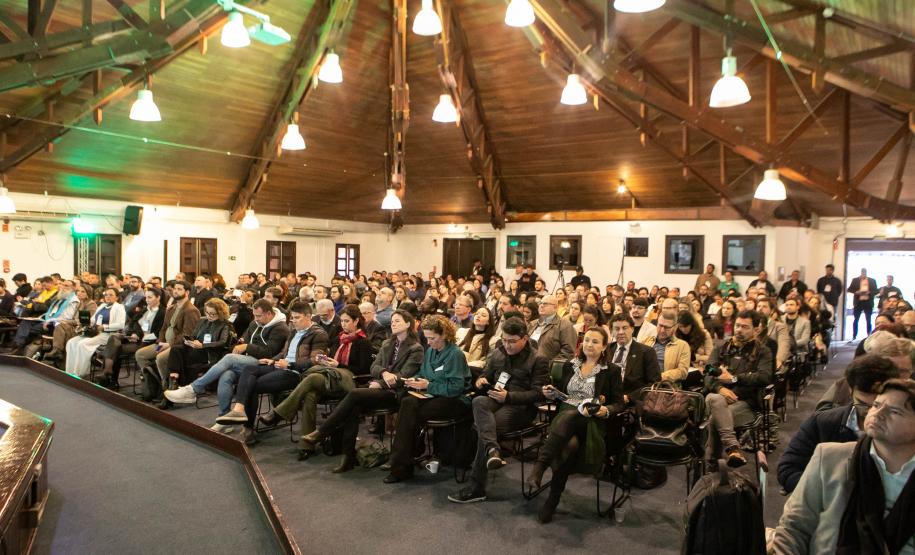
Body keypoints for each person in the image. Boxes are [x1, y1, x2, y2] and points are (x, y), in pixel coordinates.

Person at [771, 379, 915, 554]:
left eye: (895, 411)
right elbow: (793, 529)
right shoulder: (830, 458)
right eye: (876, 405)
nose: (877, 413)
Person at [301, 310, 424, 472]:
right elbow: (374, 367)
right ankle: (347, 457)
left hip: (396, 393)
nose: (393, 324)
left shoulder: (416, 348)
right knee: (352, 408)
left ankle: (322, 431)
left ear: (408, 324)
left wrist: (381, 383)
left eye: (398, 321)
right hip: (377, 387)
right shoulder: (388, 344)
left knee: (353, 394)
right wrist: (383, 374)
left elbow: (404, 375)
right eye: (392, 321)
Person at [525, 327, 624, 523]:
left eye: (595, 342)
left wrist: (607, 410)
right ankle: (552, 500)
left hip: (591, 421)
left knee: (573, 415)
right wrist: (552, 393)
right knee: (569, 444)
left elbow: (619, 403)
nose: (589, 344)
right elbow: (563, 393)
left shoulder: (611, 370)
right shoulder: (571, 365)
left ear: (604, 347)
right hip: (563, 423)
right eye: (587, 340)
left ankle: (540, 466)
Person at [448, 317, 550, 504]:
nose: (507, 345)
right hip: (495, 399)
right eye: (504, 340)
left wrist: (509, 397)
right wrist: (481, 380)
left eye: (512, 341)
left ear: (525, 338)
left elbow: (539, 394)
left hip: (520, 407)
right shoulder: (498, 353)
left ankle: (476, 487)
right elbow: (487, 374)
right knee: (478, 401)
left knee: (484, 429)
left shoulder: (538, 359)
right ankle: (493, 450)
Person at [777, 354, 901, 493]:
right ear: (850, 390)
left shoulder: (907, 431)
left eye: (878, 405)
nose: (871, 413)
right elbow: (788, 470)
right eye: (863, 404)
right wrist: (829, 494)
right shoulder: (822, 423)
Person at [257, 304, 371, 451]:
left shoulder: (363, 342)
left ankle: (279, 413)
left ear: (356, 321)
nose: (343, 324)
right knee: (310, 395)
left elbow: (363, 370)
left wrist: (339, 365)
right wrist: (326, 360)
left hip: (350, 380)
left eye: (347, 321)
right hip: (331, 376)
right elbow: (331, 358)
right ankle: (307, 445)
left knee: (310, 379)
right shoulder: (339, 338)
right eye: (342, 321)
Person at [216, 300, 329, 444]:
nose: (293, 321)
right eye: (292, 318)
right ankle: (239, 409)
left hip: (296, 373)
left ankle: (247, 427)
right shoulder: (294, 331)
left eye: (297, 318)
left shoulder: (319, 334)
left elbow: (315, 361)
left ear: (309, 316)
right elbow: (284, 352)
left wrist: (290, 364)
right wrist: (273, 360)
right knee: (249, 369)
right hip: (280, 366)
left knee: (252, 385)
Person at [164, 299, 289, 425]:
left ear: (269, 313)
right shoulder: (255, 323)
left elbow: (269, 352)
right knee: (226, 375)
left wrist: (246, 347)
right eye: (254, 315)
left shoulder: (280, 328)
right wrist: (241, 342)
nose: (256, 319)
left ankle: (192, 389)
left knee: (229, 358)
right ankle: (224, 418)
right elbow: (245, 338)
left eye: (259, 316)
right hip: (247, 360)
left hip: (265, 363)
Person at [383, 315, 471, 483]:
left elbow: (456, 388)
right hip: (434, 395)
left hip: (455, 400)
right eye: (427, 338)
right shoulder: (430, 351)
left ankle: (400, 462)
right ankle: (402, 461)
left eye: (432, 338)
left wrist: (428, 386)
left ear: (444, 335)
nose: (428, 342)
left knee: (410, 412)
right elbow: (424, 374)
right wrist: (415, 380)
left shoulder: (455, 354)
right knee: (407, 402)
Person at [703, 310, 773, 468]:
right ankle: (733, 448)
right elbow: (707, 374)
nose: (739, 329)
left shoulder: (763, 351)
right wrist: (720, 388)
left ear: (756, 330)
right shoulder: (721, 347)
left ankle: (712, 465)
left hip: (745, 403)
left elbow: (764, 377)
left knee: (716, 418)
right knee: (716, 399)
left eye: (745, 327)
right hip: (717, 397)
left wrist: (734, 379)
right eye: (737, 325)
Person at [135, 280, 200, 392]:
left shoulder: (191, 310)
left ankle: (166, 388)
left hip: (177, 347)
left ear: (187, 292)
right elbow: (163, 329)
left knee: (160, 358)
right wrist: (160, 342)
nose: (175, 291)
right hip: (163, 344)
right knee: (140, 354)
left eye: (179, 289)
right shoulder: (171, 308)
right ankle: (154, 383)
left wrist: (169, 344)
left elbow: (187, 334)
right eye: (175, 289)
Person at [96, 287, 162, 387]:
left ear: (158, 298)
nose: (147, 300)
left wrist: (139, 336)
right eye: (146, 297)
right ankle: (109, 375)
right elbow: (133, 323)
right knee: (114, 338)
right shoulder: (145, 310)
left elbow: (158, 332)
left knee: (115, 347)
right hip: (136, 338)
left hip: (148, 342)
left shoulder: (163, 312)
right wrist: (134, 334)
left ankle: (109, 375)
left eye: (150, 297)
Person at [164, 298, 232, 388]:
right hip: (196, 348)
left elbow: (223, 343)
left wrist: (203, 345)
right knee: (176, 349)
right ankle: (174, 379)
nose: (209, 316)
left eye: (213, 314)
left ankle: (175, 385)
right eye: (207, 313)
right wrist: (190, 341)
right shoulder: (202, 320)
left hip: (210, 353)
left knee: (182, 358)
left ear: (221, 313)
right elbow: (194, 335)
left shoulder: (225, 324)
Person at [64, 288, 126, 378]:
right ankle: (70, 371)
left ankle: (80, 373)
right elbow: (92, 320)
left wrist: (104, 327)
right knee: (71, 342)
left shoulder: (119, 307)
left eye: (111, 295)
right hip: (95, 332)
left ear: (116, 297)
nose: (108, 297)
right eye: (106, 295)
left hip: (107, 334)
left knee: (82, 344)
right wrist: (84, 324)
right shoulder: (102, 306)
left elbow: (120, 324)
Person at [6, 279, 79, 355]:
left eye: (66, 286)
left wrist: (50, 320)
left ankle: (19, 348)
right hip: (47, 320)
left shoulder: (73, 300)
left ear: (73, 288)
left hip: (57, 324)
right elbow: (50, 311)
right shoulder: (60, 298)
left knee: (28, 329)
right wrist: (41, 317)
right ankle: (18, 346)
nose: (63, 287)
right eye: (63, 285)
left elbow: (67, 317)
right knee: (26, 322)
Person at [606, 314, 661, 403]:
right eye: (616, 329)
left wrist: (629, 397)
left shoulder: (646, 352)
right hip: (607, 399)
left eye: (624, 328)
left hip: (631, 402)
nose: (620, 332)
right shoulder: (606, 350)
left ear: (632, 329)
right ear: (611, 331)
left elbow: (654, 383)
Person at [45, 284, 98, 364]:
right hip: (75, 326)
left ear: (88, 294)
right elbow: (74, 319)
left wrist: (67, 322)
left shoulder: (91, 304)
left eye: (82, 291)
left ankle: (57, 352)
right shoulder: (80, 303)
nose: (79, 293)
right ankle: (58, 353)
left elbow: (84, 321)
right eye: (78, 291)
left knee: (61, 326)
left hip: (84, 329)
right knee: (60, 326)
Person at [641, 312, 691, 383]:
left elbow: (682, 372)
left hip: (666, 386)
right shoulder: (646, 341)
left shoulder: (682, 346)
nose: (662, 330)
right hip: (643, 384)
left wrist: (658, 377)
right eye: (660, 325)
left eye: (667, 327)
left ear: (675, 327)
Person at [528, 294, 577, 362]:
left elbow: (568, 352)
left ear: (555, 307)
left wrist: (550, 365)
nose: (541, 306)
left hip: (548, 368)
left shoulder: (565, 325)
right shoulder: (532, 324)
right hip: (527, 366)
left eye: (545, 304)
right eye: (540, 303)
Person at [455, 306, 497, 373]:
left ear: (488, 322)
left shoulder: (492, 340)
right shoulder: (461, 331)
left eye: (483, 315)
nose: (478, 316)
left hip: (471, 371)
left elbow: (485, 362)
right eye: (477, 314)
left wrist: (465, 365)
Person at [848, 268, 879, 339]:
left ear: (866, 273)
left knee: (868, 319)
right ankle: (854, 336)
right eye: (862, 273)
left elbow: (876, 291)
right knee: (856, 319)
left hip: (868, 302)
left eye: (865, 273)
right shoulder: (855, 280)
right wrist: (856, 292)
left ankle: (869, 335)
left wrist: (869, 292)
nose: (863, 274)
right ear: (861, 273)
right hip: (858, 302)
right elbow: (849, 289)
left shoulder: (872, 280)